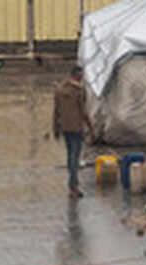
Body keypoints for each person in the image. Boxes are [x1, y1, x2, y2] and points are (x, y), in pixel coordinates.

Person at [53, 66, 92, 198]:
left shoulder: (59, 89)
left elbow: (56, 111)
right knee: (75, 157)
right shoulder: (79, 91)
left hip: (65, 127)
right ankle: (73, 187)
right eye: (81, 75)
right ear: (77, 75)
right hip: (76, 128)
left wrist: (56, 129)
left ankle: (73, 185)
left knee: (70, 156)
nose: (82, 77)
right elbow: (83, 111)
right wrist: (90, 127)